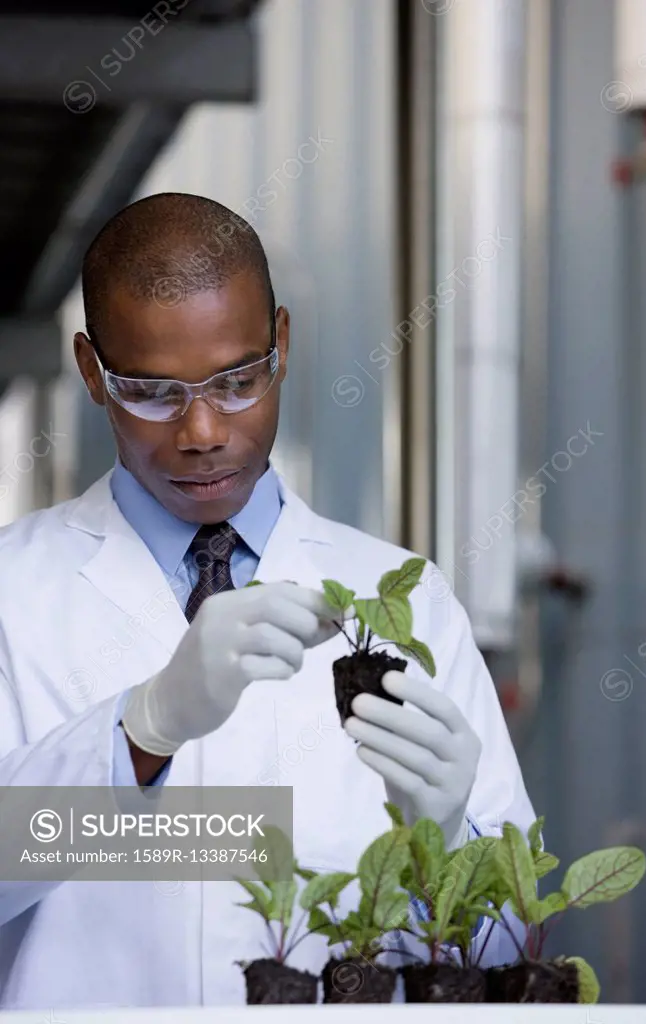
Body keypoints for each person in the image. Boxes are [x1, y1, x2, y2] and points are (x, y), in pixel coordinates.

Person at [0, 193, 535, 1010]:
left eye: (239, 380)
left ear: (280, 344)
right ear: (90, 371)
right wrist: (139, 733)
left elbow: (508, 955)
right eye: (152, 392)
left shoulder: (411, 602)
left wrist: (447, 834)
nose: (204, 430)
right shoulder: (14, 590)